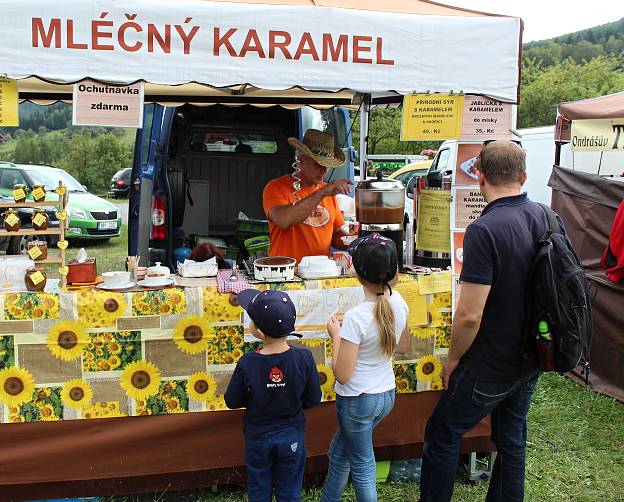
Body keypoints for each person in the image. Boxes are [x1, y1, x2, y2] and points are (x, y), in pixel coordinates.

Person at [419, 140, 556, 502]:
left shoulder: (484, 229)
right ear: (523, 176)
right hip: (532, 356)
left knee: (443, 433)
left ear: (478, 176)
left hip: (491, 363)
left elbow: (469, 315)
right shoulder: (546, 215)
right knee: (512, 438)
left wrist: (452, 359)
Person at [320, 233, 410, 502]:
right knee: (339, 453)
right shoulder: (399, 302)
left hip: (358, 401)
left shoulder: (357, 318)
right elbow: (402, 347)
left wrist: (337, 336)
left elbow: (343, 376)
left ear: (357, 275)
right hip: (385, 396)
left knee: (362, 465)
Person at [224, 289, 321, 502]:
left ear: (259, 331)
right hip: (292, 437)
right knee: (289, 493)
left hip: (258, 439)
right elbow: (314, 399)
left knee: (259, 492)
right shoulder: (304, 357)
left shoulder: (248, 362)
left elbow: (232, 401)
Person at [263, 129, 357, 263]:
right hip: (284, 273)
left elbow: (336, 235)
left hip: (319, 272)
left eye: (327, 165)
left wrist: (352, 240)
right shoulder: (275, 187)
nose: (324, 171)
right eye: (318, 164)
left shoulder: (328, 193)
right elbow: (283, 220)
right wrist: (322, 192)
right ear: (301, 160)